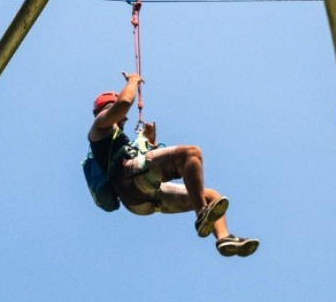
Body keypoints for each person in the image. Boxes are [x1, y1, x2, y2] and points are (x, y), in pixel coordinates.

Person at [88, 72, 259, 257]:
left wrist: (151, 142)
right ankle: (202, 213)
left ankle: (223, 238)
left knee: (211, 196)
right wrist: (132, 81)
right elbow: (123, 103)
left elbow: (143, 160)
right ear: (107, 107)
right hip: (129, 180)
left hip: (139, 201)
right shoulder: (100, 126)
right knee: (191, 154)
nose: (126, 119)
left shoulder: (115, 141)